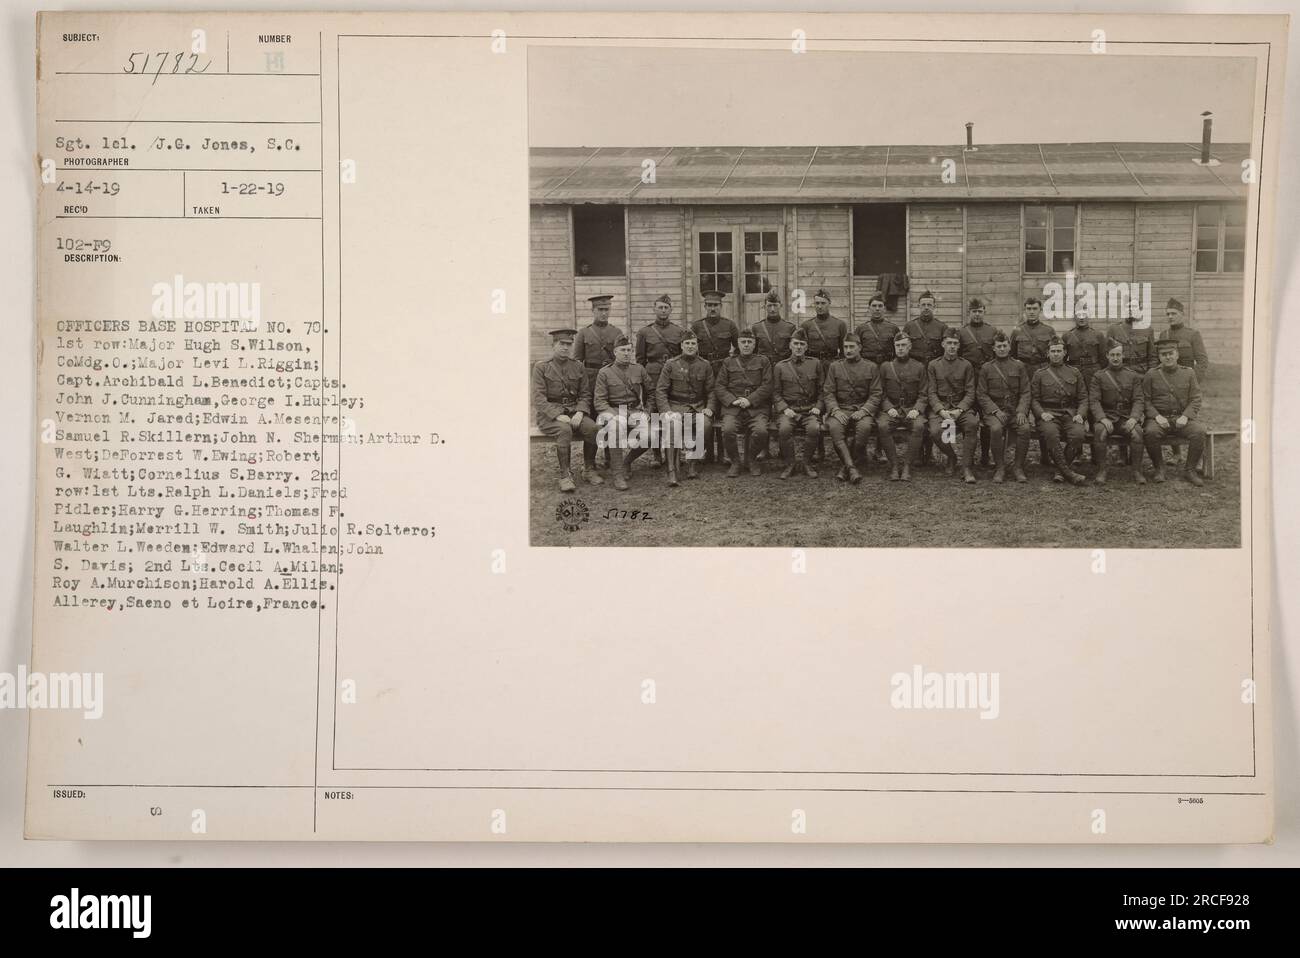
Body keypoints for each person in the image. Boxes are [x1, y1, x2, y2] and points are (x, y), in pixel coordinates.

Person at [531, 328, 601, 492]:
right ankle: (565, 475)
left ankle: (589, 469)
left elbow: (585, 394)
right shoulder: (541, 367)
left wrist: (580, 412)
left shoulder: (577, 366)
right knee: (564, 430)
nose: (565, 348)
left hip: (573, 410)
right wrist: (556, 415)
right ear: (553, 345)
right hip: (549, 415)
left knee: (593, 428)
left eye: (569, 344)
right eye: (561, 344)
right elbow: (538, 398)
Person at [1142, 338, 1207, 485]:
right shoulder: (1151, 374)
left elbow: (1196, 398)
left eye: (1171, 353)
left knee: (1199, 431)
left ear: (1177, 354)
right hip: (1159, 419)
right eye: (1164, 354)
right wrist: (1157, 417)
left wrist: (1185, 416)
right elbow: (1145, 400)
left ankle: (1189, 470)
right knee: (1150, 432)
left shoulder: (1189, 373)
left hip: (1181, 418)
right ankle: (1160, 469)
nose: (1168, 357)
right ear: (1159, 357)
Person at [594, 335, 654, 491]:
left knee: (649, 437)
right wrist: (612, 415)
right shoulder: (605, 372)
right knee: (615, 427)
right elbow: (599, 401)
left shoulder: (639, 369)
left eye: (629, 350)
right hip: (614, 410)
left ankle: (626, 462)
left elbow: (652, 393)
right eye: (623, 350)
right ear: (615, 352)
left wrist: (647, 410)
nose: (627, 353)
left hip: (635, 410)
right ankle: (618, 474)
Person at [655, 329, 715, 486]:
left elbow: (711, 391)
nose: (690, 346)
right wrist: (666, 410)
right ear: (681, 345)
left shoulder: (705, 365)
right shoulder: (671, 364)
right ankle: (671, 471)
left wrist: (710, 407)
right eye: (687, 343)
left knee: (706, 424)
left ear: (697, 346)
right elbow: (661, 390)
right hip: (676, 407)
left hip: (697, 407)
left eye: (693, 344)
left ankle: (693, 463)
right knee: (672, 424)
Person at [822, 332, 882, 484]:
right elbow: (828, 392)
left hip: (862, 410)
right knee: (835, 428)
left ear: (860, 348)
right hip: (840, 409)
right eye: (845, 347)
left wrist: (863, 411)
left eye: (851, 347)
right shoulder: (835, 367)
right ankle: (852, 468)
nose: (848, 350)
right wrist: (835, 410)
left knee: (864, 429)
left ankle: (845, 468)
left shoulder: (871, 367)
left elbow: (876, 394)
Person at [1030, 336, 1089, 485]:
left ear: (1064, 353)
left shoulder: (1074, 372)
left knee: (1078, 434)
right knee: (1051, 434)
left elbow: (1083, 398)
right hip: (1048, 414)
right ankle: (1069, 473)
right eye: (1053, 351)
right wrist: (1042, 413)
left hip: (1070, 413)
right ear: (1048, 354)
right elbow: (1034, 399)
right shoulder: (1040, 374)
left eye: (1059, 351)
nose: (1056, 354)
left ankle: (1060, 471)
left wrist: (1080, 414)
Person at [635, 293, 685, 466]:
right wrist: (643, 381)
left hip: (673, 375)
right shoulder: (644, 332)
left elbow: (682, 356)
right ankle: (656, 454)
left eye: (666, 307)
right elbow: (640, 360)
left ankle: (674, 452)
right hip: (652, 375)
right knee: (654, 412)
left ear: (671, 310)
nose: (663, 311)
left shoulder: (678, 331)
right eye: (660, 307)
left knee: (673, 410)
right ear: (654, 309)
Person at [716, 327, 773, 477]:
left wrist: (750, 400)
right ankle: (735, 461)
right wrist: (733, 401)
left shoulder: (763, 361)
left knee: (761, 431)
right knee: (727, 430)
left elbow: (767, 385)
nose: (746, 345)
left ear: (754, 345)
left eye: (749, 342)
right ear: (737, 344)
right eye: (743, 342)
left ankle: (751, 459)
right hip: (733, 409)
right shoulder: (728, 362)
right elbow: (720, 386)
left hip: (756, 408)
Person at [976, 331, 1032, 483]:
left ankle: (1018, 467)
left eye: (1004, 346)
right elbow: (981, 394)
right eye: (998, 346)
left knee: (1025, 428)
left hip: (1014, 410)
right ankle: (1000, 467)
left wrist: (1021, 411)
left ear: (1009, 347)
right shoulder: (986, 368)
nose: (1002, 349)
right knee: (995, 429)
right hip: (995, 411)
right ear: (993, 349)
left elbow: (1026, 391)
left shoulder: (1019, 366)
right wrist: (995, 410)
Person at [1089, 342, 1146, 485]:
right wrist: (1102, 418)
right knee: (1100, 432)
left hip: (1126, 416)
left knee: (1137, 433)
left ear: (1123, 355)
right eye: (1112, 355)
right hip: (1107, 416)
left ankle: (1137, 471)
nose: (1115, 358)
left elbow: (1139, 400)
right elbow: (1094, 401)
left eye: (1118, 355)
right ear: (1107, 356)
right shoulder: (1099, 376)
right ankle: (1102, 470)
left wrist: (1134, 418)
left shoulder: (1133, 376)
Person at [692, 289, 739, 463]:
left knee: (721, 410)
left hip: (723, 370)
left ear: (721, 306)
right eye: (709, 305)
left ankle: (723, 452)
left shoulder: (730, 325)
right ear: (705, 306)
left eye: (716, 305)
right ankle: (706, 451)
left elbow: (739, 348)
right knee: (705, 408)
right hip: (703, 371)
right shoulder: (697, 326)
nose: (712, 308)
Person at [927, 330, 979, 483]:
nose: (952, 346)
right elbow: (931, 392)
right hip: (941, 406)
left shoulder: (966, 365)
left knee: (972, 423)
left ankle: (967, 467)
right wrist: (941, 411)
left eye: (955, 343)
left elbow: (970, 392)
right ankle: (951, 457)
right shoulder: (933, 365)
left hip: (960, 406)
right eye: (949, 343)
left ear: (959, 346)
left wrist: (960, 409)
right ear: (943, 344)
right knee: (936, 431)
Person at [875, 332, 928, 481]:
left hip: (911, 408)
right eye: (897, 345)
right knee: (883, 426)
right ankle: (893, 465)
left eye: (903, 345)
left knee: (918, 426)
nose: (900, 348)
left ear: (910, 347)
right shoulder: (886, 367)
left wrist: (916, 409)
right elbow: (880, 392)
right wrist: (888, 407)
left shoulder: (919, 367)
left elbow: (924, 393)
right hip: (892, 409)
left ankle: (906, 466)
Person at [772, 329, 824, 479]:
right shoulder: (780, 367)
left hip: (809, 410)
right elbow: (775, 393)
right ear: (790, 346)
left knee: (814, 428)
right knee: (784, 430)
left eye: (802, 344)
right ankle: (790, 464)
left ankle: (807, 463)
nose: (799, 347)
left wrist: (818, 407)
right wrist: (784, 408)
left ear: (807, 347)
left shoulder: (815, 364)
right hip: (789, 410)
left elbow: (823, 390)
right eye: (796, 344)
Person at [956, 297, 997, 466]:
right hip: (969, 380)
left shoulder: (992, 331)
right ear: (969, 313)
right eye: (974, 312)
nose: (977, 315)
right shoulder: (962, 332)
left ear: (984, 312)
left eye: (980, 311)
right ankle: (969, 456)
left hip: (987, 381)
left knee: (987, 418)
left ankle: (985, 456)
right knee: (969, 420)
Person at [1009, 296, 1055, 384]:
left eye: (1035, 309)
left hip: (1043, 369)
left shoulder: (1049, 330)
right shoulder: (1017, 331)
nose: (1031, 312)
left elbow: (1053, 354)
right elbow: (1012, 354)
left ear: (1040, 310)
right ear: (1025, 311)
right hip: (1023, 370)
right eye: (1029, 309)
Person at [1161, 298, 1210, 376]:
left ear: (1182, 314)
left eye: (1173, 314)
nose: (1170, 317)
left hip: (1186, 380)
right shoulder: (1163, 335)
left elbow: (1202, 362)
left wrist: (1193, 381)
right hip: (1167, 380)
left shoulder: (1193, 334)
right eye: (1168, 314)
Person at [799, 288, 847, 366]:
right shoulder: (806, 325)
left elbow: (843, 351)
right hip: (812, 365)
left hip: (832, 365)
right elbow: (801, 349)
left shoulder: (840, 325)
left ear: (829, 303)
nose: (820, 306)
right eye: (817, 303)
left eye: (823, 303)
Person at [902, 290, 950, 367]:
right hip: (915, 366)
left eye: (929, 305)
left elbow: (946, 350)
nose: (926, 307)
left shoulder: (942, 327)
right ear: (919, 306)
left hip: (935, 367)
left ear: (934, 306)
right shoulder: (909, 326)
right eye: (923, 305)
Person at [1106, 302, 1155, 373]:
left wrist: (1150, 375)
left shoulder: (1147, 329)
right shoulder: (1113, 329)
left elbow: (1153, 357)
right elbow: (1107, 356)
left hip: (1141, 373)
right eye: (1128, 307)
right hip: (1120, 373)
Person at [856, 293, 901, 366]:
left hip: (887, 365)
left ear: (884, 308)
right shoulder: (860, 329)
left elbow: (898, 350)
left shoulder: (893, 328)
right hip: (866, 366)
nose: (877, 309)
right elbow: (856, 350)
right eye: (874, 306)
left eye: (880, 306)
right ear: (869, 308)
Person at [752, 289, 795, 365]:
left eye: (775, 305)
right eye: (769, 306)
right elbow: (753, 352)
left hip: (783, 367)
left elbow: (793, 352)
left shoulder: (790, 327)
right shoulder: (757, 327)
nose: (772, 309)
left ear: (780, 306)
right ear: (765, 307)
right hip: (763, 368)